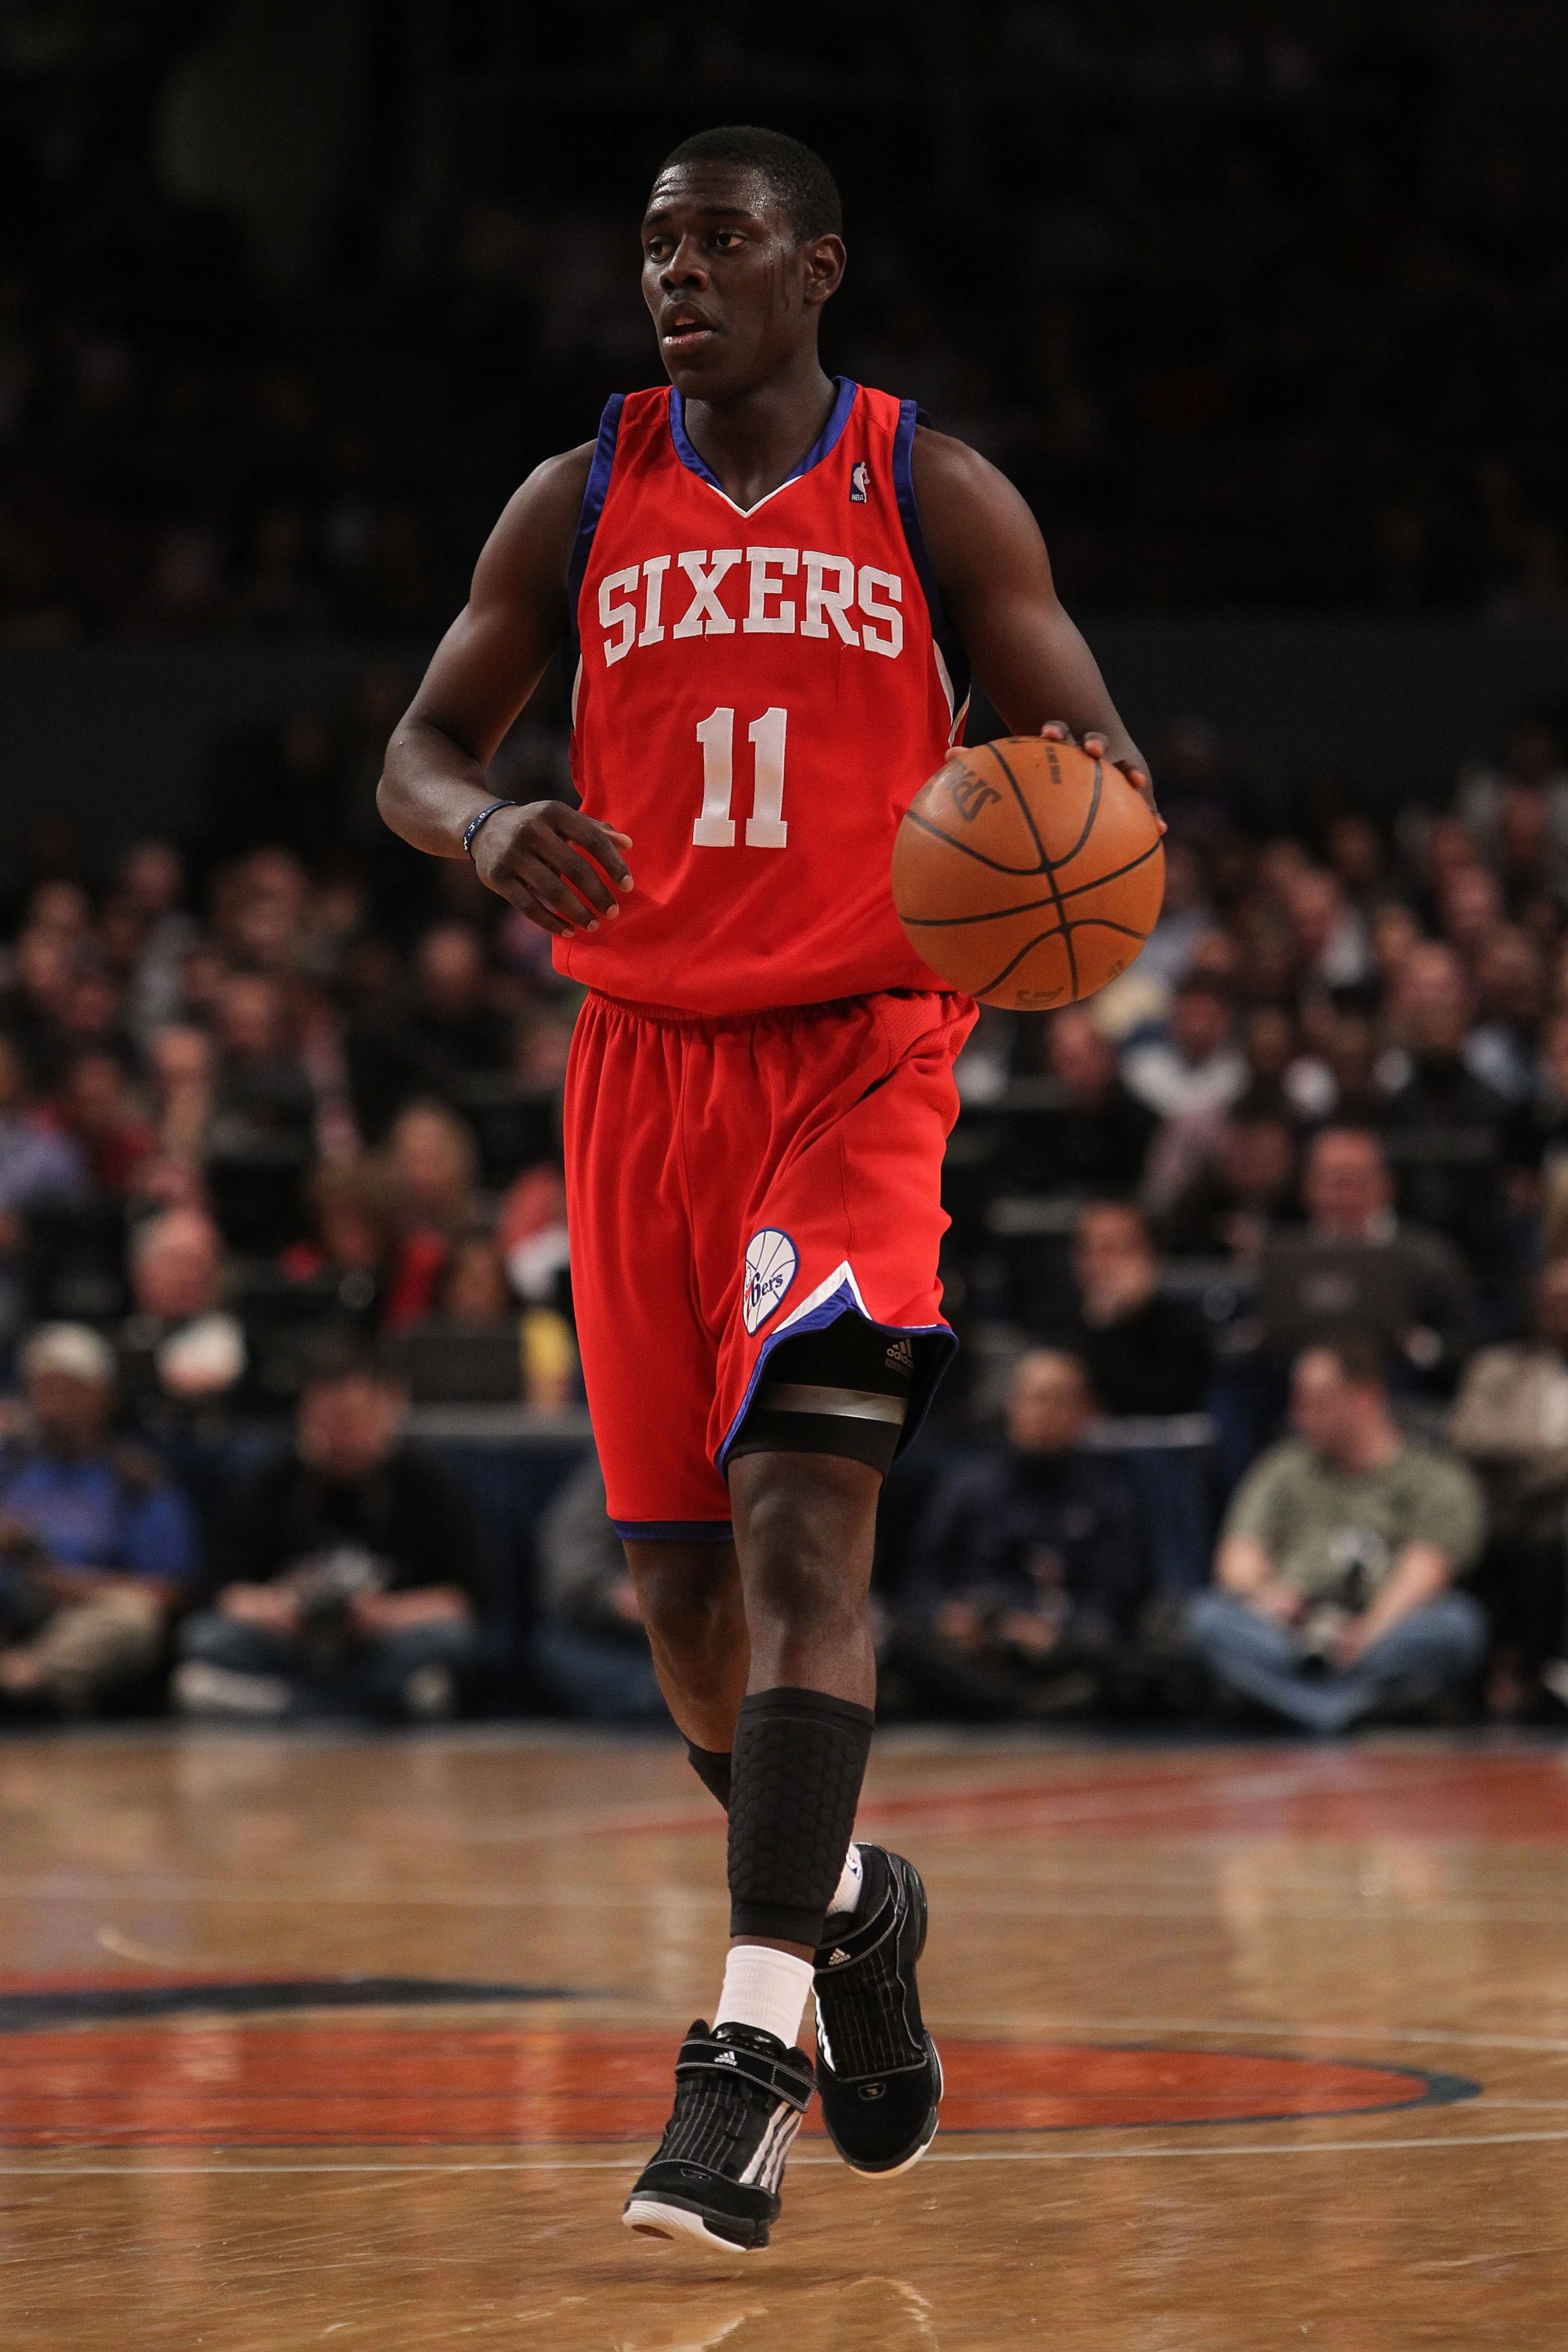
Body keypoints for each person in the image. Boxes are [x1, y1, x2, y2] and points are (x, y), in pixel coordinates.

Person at [376, 123, 1157, 2251]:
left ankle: (741, 2065)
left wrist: (1076, 813)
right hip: (638, 1074)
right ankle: (858, 1908)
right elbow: (419, 742)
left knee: (809, 1521)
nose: (674, 272)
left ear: (818, 266)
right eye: (651, 243)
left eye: (717, 240)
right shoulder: (577, 490)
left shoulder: (932, 484)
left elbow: (1095, 752)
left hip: (861, 1060)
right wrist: (483, 827)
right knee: (686, 1618)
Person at [172, 1334, 488, 1722]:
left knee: (449, 1642)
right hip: (292, 1640)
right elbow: (223, 1590)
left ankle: (280, 1706)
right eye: (329, 1418)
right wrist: (279, 1610)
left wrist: (384, 1616)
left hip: (382, 1640)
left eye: (355, 1418)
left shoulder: (427, 1481)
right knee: (206, 1638)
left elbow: (460, 1601)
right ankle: (378, 1705)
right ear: (305, 1414)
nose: (343, 1433)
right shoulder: (272, 1479)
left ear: (388, 1411)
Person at [1185, 1338, 1487, 1734]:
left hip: (1383, 1630)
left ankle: (1304, 1705)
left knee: (1458, 1626)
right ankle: (1344, 1710)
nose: (1299, 1416)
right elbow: (1236, 1562)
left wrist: (1368, 1633)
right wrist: (1271, 1596)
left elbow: (1426, 1570)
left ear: (1365, 1399)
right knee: (1208, 1620)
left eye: (1316, 1401)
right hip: (1292, 1636)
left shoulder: (1435, 1477)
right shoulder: (1282, 1468)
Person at [890, 1348, 1145, 1720]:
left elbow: (1117, 1596)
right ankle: (1028, 1704)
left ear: (1084, 1414)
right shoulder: (968, 1487)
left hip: (1055, 1643)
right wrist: (949, 1618)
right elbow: (923, 1579)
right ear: (1013, 1405)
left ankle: (1000, 1702)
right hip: (974, 1645)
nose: (1046, 1414)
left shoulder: (1107, 1496)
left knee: (1119, 1654)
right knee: (901, 1638)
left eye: (1060, 1401)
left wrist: (1052, 1632)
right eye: (1036, 1399)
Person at [0, 1323, 198, 1715]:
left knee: (133, 1620)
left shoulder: (136, 1479)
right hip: (9, 1613)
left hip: (83, 1620)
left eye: (69, 1391)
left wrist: (76, 1587)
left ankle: (28, 1678)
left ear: (105, 1398)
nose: (53, 1406)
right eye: (42, 1391)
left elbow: (173, 1592)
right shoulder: (11, 1467)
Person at [1257, 1125, 1478, 1391]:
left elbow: (1465, 1339)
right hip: (1293, 1385)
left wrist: (1422, 1347)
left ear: (1386, 1186)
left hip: (1402, 1386)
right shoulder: (1284, 1254)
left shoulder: (1429, 1256)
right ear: (1309, 1188)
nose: (1347, 1195)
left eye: (1359, 1180)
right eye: (1335, 1182)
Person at [1449, 1257, 1568, 1712]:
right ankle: (1525, 1676)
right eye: (1555, 1302)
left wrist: (1530, 1457)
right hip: (1507, 1512)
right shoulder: (1498, 1368)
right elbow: (1471, 1436)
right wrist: (1551, 1461)